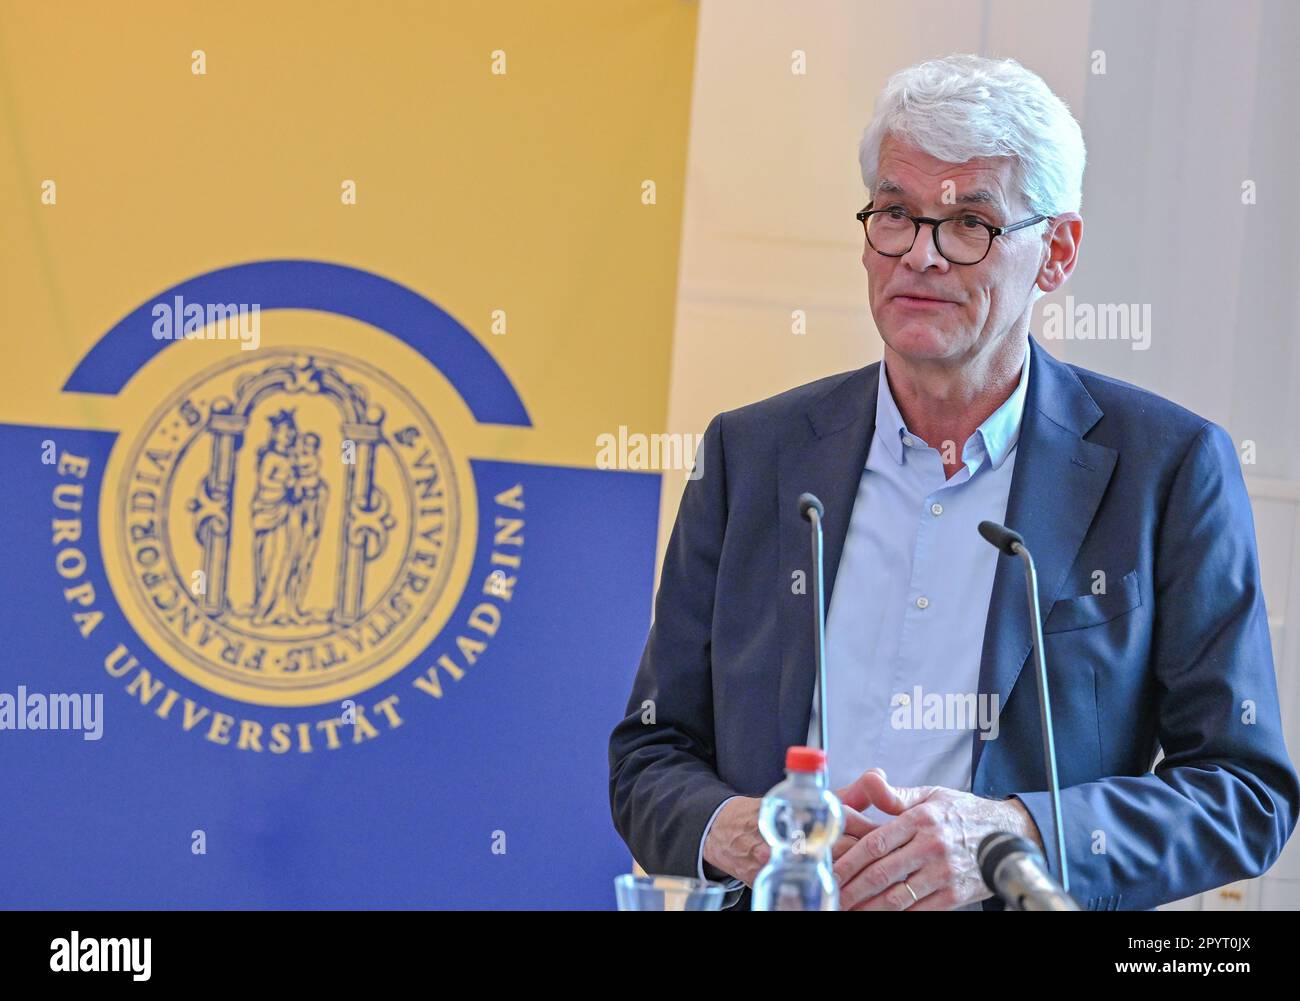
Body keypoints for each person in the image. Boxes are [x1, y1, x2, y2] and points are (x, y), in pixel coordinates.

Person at [608, 54, 1299, 911]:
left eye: (969, 221)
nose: (922, 256)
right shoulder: (751, 455)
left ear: (1057, 251)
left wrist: (1011, 835)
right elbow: (650, 752)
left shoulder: (1168, 468)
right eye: (896, 213)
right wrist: (744, 830)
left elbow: (1244, 790)